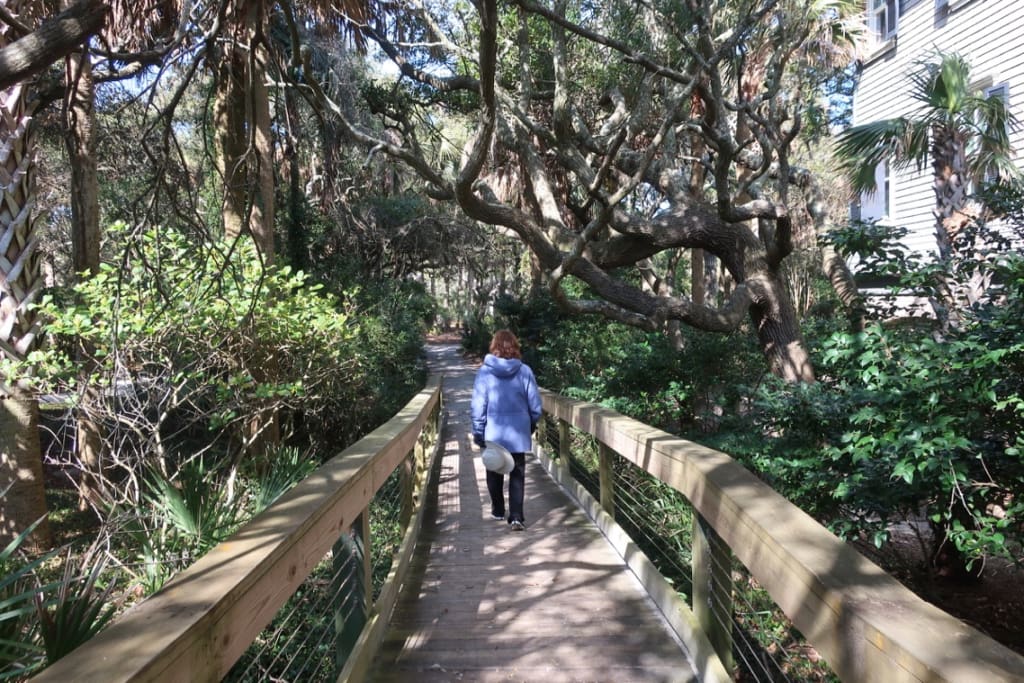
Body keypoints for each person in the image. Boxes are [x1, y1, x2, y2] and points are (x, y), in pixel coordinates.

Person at [471, 330, 542, 531]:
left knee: (494, 470)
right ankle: (517, 517)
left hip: (493, 432)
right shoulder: (525, 371)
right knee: (517, 473)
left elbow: (478, 405)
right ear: (515, 347)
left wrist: (478, 430)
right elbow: (535, 405)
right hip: (517, 432)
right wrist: (530, 423)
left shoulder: (485, 372)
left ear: (494, 347)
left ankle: (498, 510)